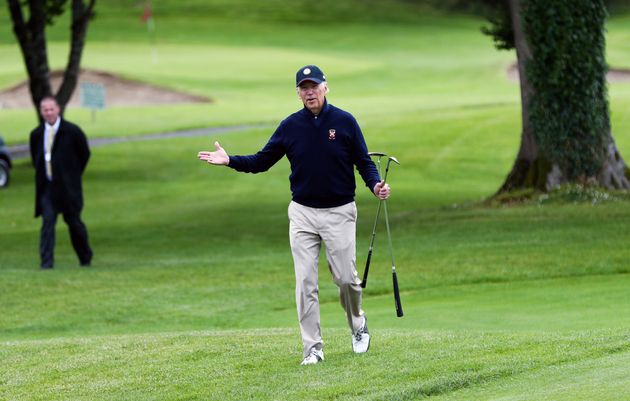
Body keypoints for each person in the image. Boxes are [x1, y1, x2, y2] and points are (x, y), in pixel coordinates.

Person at [198, 65, 390, 365]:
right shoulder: (290, 126)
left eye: (314, 86)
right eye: (304, 87)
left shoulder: (345, 122)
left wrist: (375, 184)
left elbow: (363, 162)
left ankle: (358, 325)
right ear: (298, 92)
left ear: (325, 87)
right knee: (305, 283)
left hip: (339, 212)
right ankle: (313, 348)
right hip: (302, 214)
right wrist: (230, 160)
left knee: (345, 279)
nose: (309, 91)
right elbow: (261, 161)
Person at [30, 96, 93, 269]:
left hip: (68, 189)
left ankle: (85, 257)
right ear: (41, 111)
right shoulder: (36, 134)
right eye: (45, 110)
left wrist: (72, 175)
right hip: (47, 188)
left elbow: (84, 154)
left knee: (74, 223)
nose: (48, 113)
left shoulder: (72, 132)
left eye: (51, 109)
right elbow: (36, 159)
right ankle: (46, 262)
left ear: (58, 109)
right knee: (47, 223)